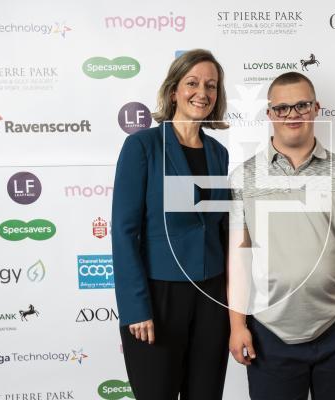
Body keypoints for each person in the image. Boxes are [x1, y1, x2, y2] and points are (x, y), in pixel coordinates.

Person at [228, 72, 335, 400]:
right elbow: (239, 256)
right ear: (269, 114)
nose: (292, 114)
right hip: (269, 333)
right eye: (281, 108)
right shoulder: (244, 177)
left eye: (301, 105)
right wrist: (238, 326)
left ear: (316, 108)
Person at [112, 49, 230, 400]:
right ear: (173, 91)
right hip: (159, 298)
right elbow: (123, 232)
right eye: (192, 83)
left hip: (211, 297)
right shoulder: (142, 146)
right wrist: (136, 308)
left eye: (211, 85)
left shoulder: (218, 153)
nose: (202, 92)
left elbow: (219, 230)